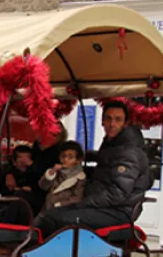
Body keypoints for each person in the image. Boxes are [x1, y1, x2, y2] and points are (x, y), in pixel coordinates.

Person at [35, 101, 151, 238]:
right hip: (104, 206)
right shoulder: (114, 144)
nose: (112, 124)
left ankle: (36, 253)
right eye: (108, 118)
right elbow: (108, 161)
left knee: (52, 217)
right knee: (47, 209)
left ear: (125, 123)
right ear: (102, 122)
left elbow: (117, 193)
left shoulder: (128, 152)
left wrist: (84, 203)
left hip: (118, 211)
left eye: (118, 119)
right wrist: (85, 156)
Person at [38, 141, 86, 214]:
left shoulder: (80, 177)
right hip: (46, 209)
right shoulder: (57, 172)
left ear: (78, 160)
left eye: (70, 157)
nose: (66, 159)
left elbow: (77, 198)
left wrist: (58, 204)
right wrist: (51, 173)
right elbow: (43, 186)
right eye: (63, 156)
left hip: (64, 211)